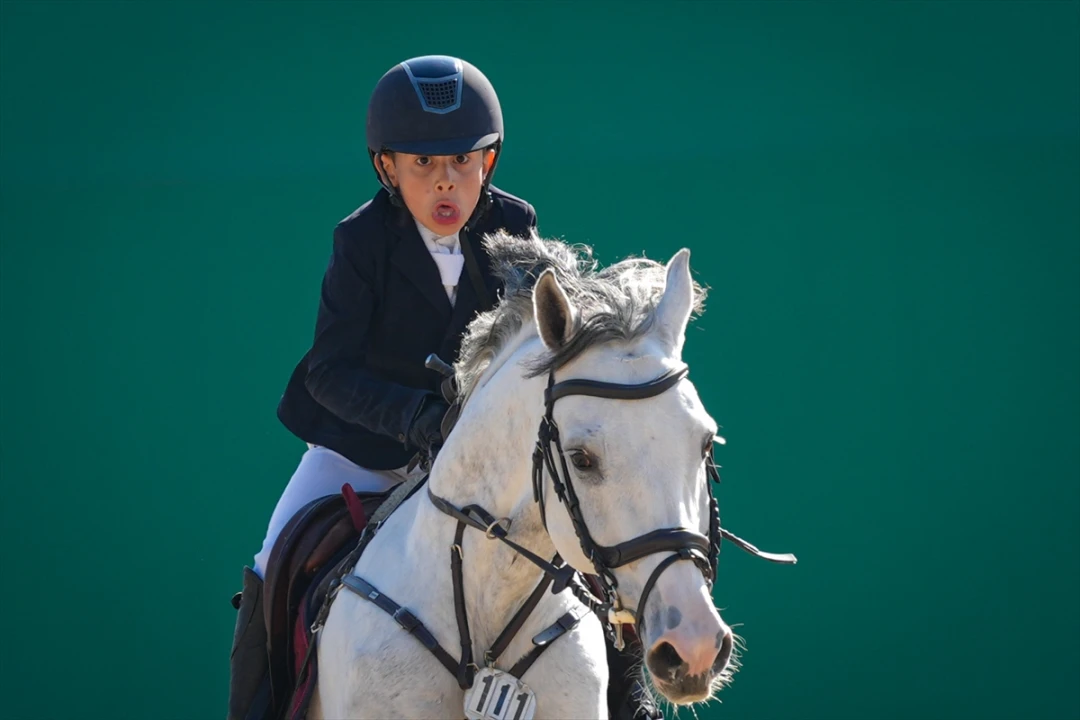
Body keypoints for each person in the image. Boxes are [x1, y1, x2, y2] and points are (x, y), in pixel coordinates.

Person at [227, 54, 660, 720]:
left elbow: (543, 350)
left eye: (462, 160)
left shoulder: (514, 227)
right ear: (387, 168)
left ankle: (632, 703)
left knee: (591, 547)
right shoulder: (361, 241)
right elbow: (327, 371)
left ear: (487, 163)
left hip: (482, 456)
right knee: (271, 561)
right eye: (422, 164)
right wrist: (417, 421)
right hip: (363, 449)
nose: (445, 182)